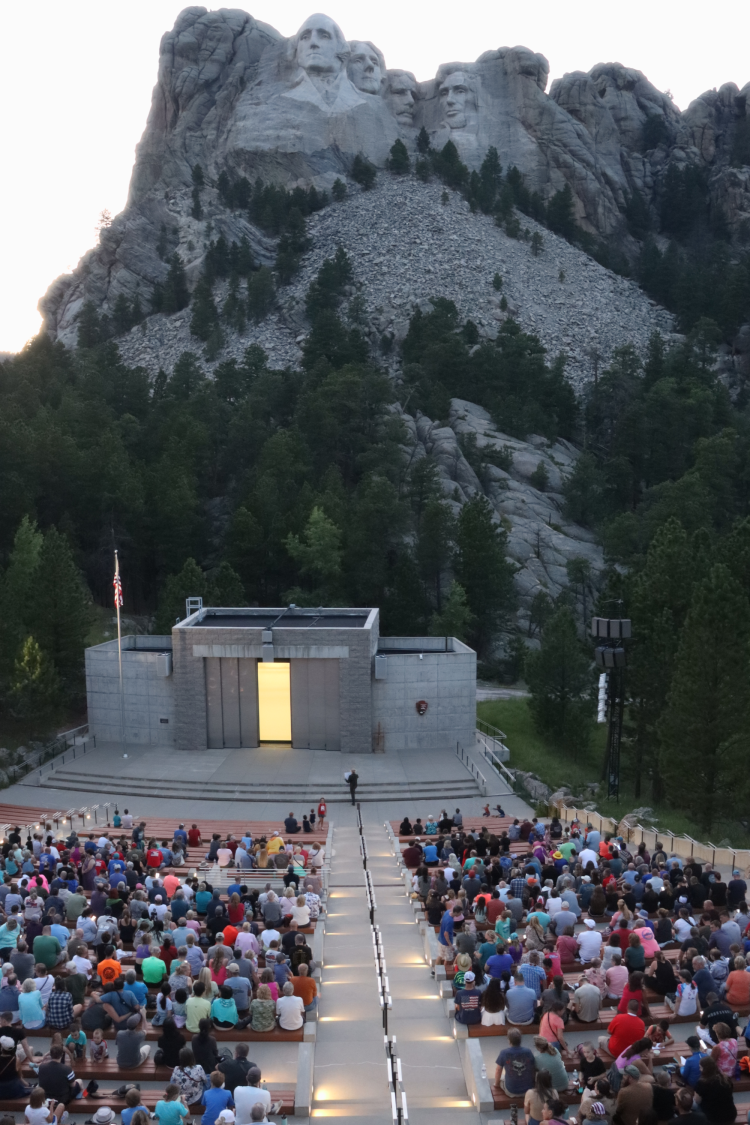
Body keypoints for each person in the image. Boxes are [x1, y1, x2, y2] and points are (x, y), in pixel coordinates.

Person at [693, 1056, 736, 1125]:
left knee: (694, 1106)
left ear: (704, 1069)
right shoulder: (725, 1079)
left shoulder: (701, 1083)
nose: (699, 1069)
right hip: (730, 1115)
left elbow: (697, 1100)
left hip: (713, 1119)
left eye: (700, 1067)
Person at [495, 1028, 535, 1096]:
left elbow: (498, 1070)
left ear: (509, 1040)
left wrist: (496, 1084)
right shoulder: (528, 1051)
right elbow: (533, 1068)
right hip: (528, 1090)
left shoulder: (504, 1053)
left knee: (502, 1077)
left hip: (511, 1090)